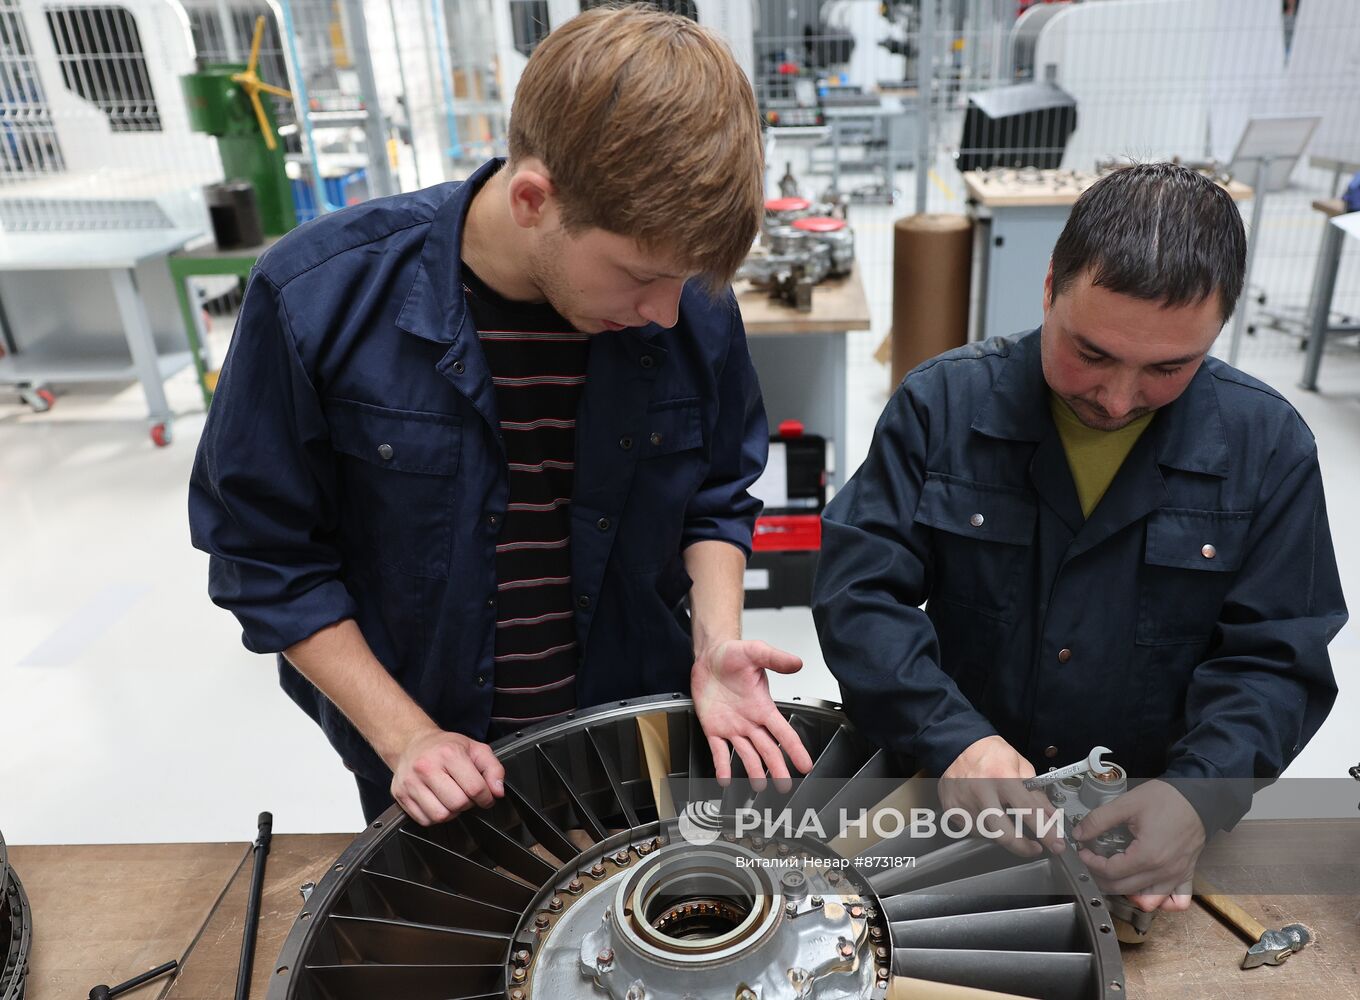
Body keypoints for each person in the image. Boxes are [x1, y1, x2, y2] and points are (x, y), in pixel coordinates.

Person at [190, 4, 813, 826]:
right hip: (435, 766)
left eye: (685, 285)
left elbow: (717, 493)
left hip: (634, 736)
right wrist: (406, 737)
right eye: (638, 276)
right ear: (532, 200)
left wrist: (716, 642)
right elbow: (267, 561)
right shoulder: (317, 300)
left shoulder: (687, 302)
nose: (666, 315)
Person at [812, 163, 1344, 913]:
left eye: (1168, 367)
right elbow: (859, 595)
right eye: (1091, 353)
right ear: (1050, 284)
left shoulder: (1267, 447)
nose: (1118, 399)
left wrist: (1197, 797)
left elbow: (1278, 661)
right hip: (946, 810)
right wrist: (951, 736)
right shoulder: (940, 407)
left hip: (1145, 846)